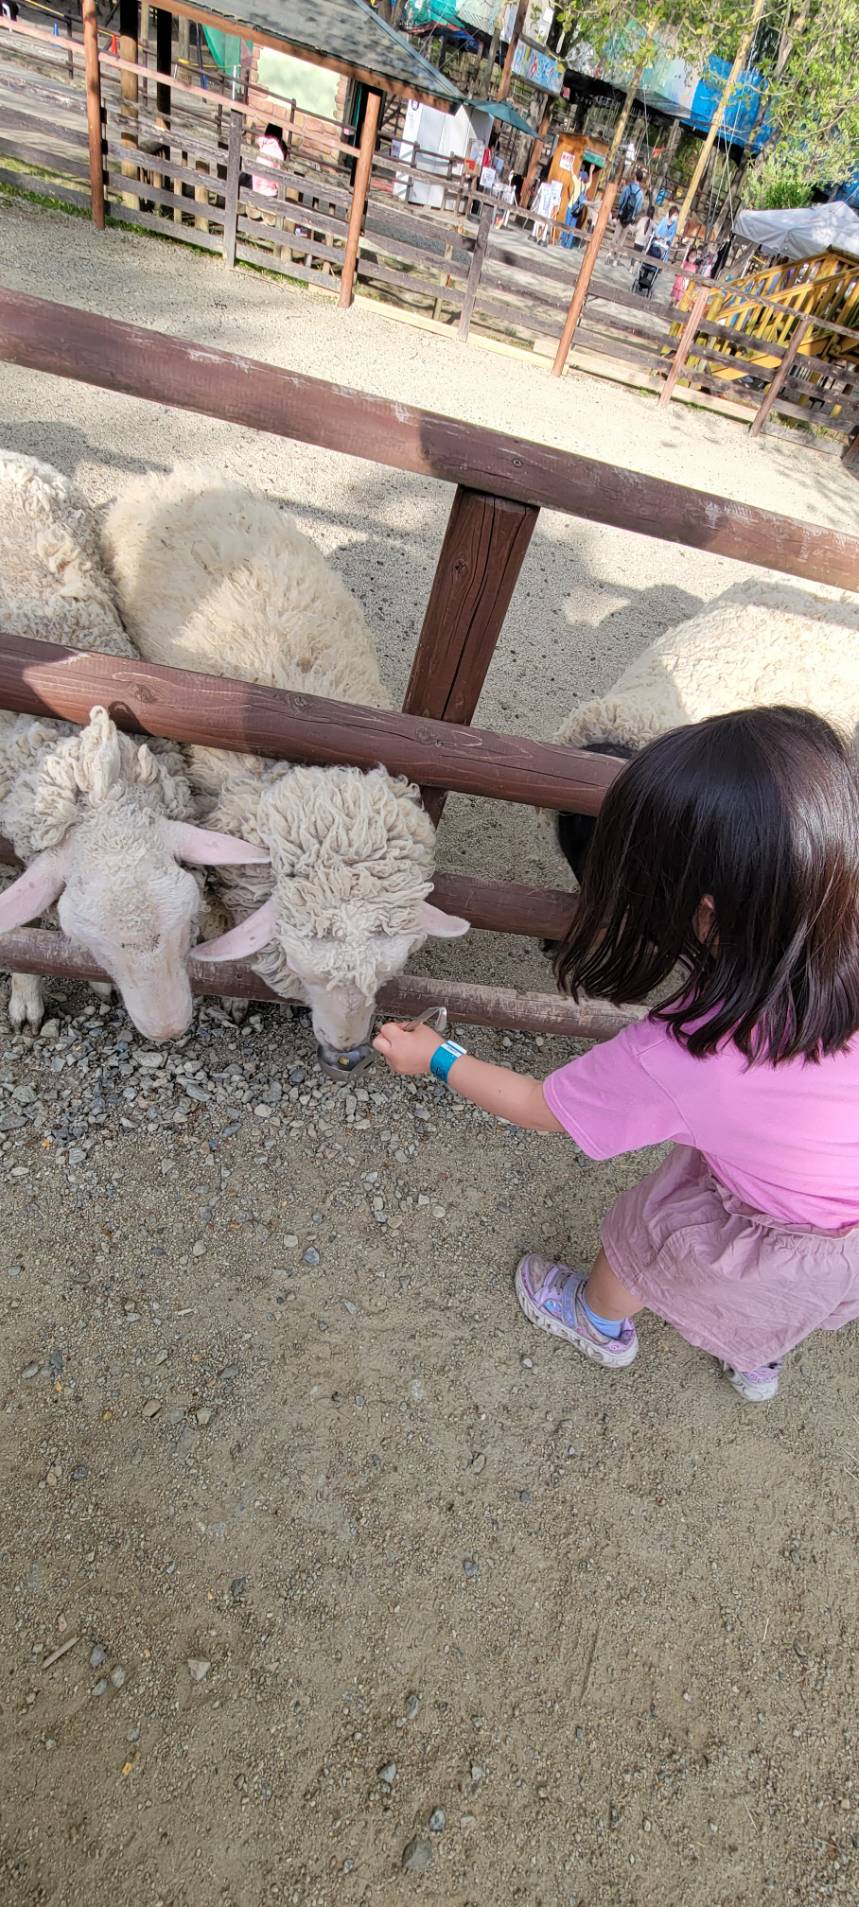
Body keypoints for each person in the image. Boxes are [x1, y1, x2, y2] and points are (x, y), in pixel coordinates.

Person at [374, 708, 859, 1406]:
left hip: (767, 1222)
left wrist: (438, 1058)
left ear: (705, 912)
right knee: (785, 1298)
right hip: (842, 1231)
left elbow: (541, 1108)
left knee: (642, 1241)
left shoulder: (687, 1052)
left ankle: (596, 1320)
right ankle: (755, 1360)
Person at [612, 167, 645, 253]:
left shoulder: (627, 187)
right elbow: (638, 209)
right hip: (630, 218)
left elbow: (621, 201)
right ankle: (616, 257)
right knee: (622, 239)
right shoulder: (641, 194)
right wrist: (633, 214)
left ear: (635, 176)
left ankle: (610, 253)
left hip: (622, 214)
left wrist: (620, 209)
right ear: (641, 180)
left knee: (616, 235)